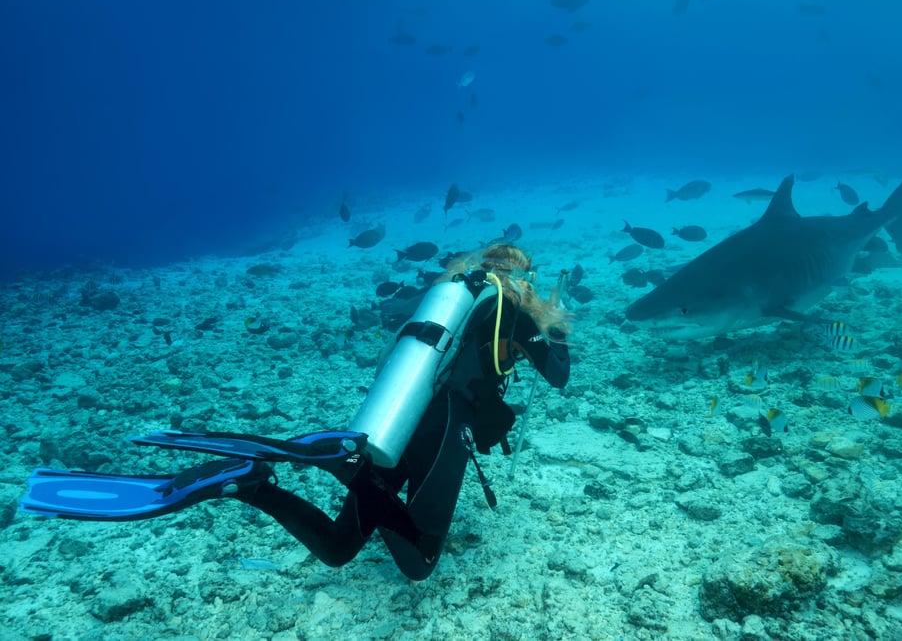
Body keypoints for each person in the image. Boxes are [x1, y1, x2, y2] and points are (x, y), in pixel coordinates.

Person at [21, 243, 571, 580]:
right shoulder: (512, 310)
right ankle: (343, 466)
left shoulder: (456, 295)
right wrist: (557, 323)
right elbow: (560, 375)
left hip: (395, 420)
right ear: (523, 276)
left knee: (337, 551)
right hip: (439, 429)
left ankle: (249, 484)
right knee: (419, 562)